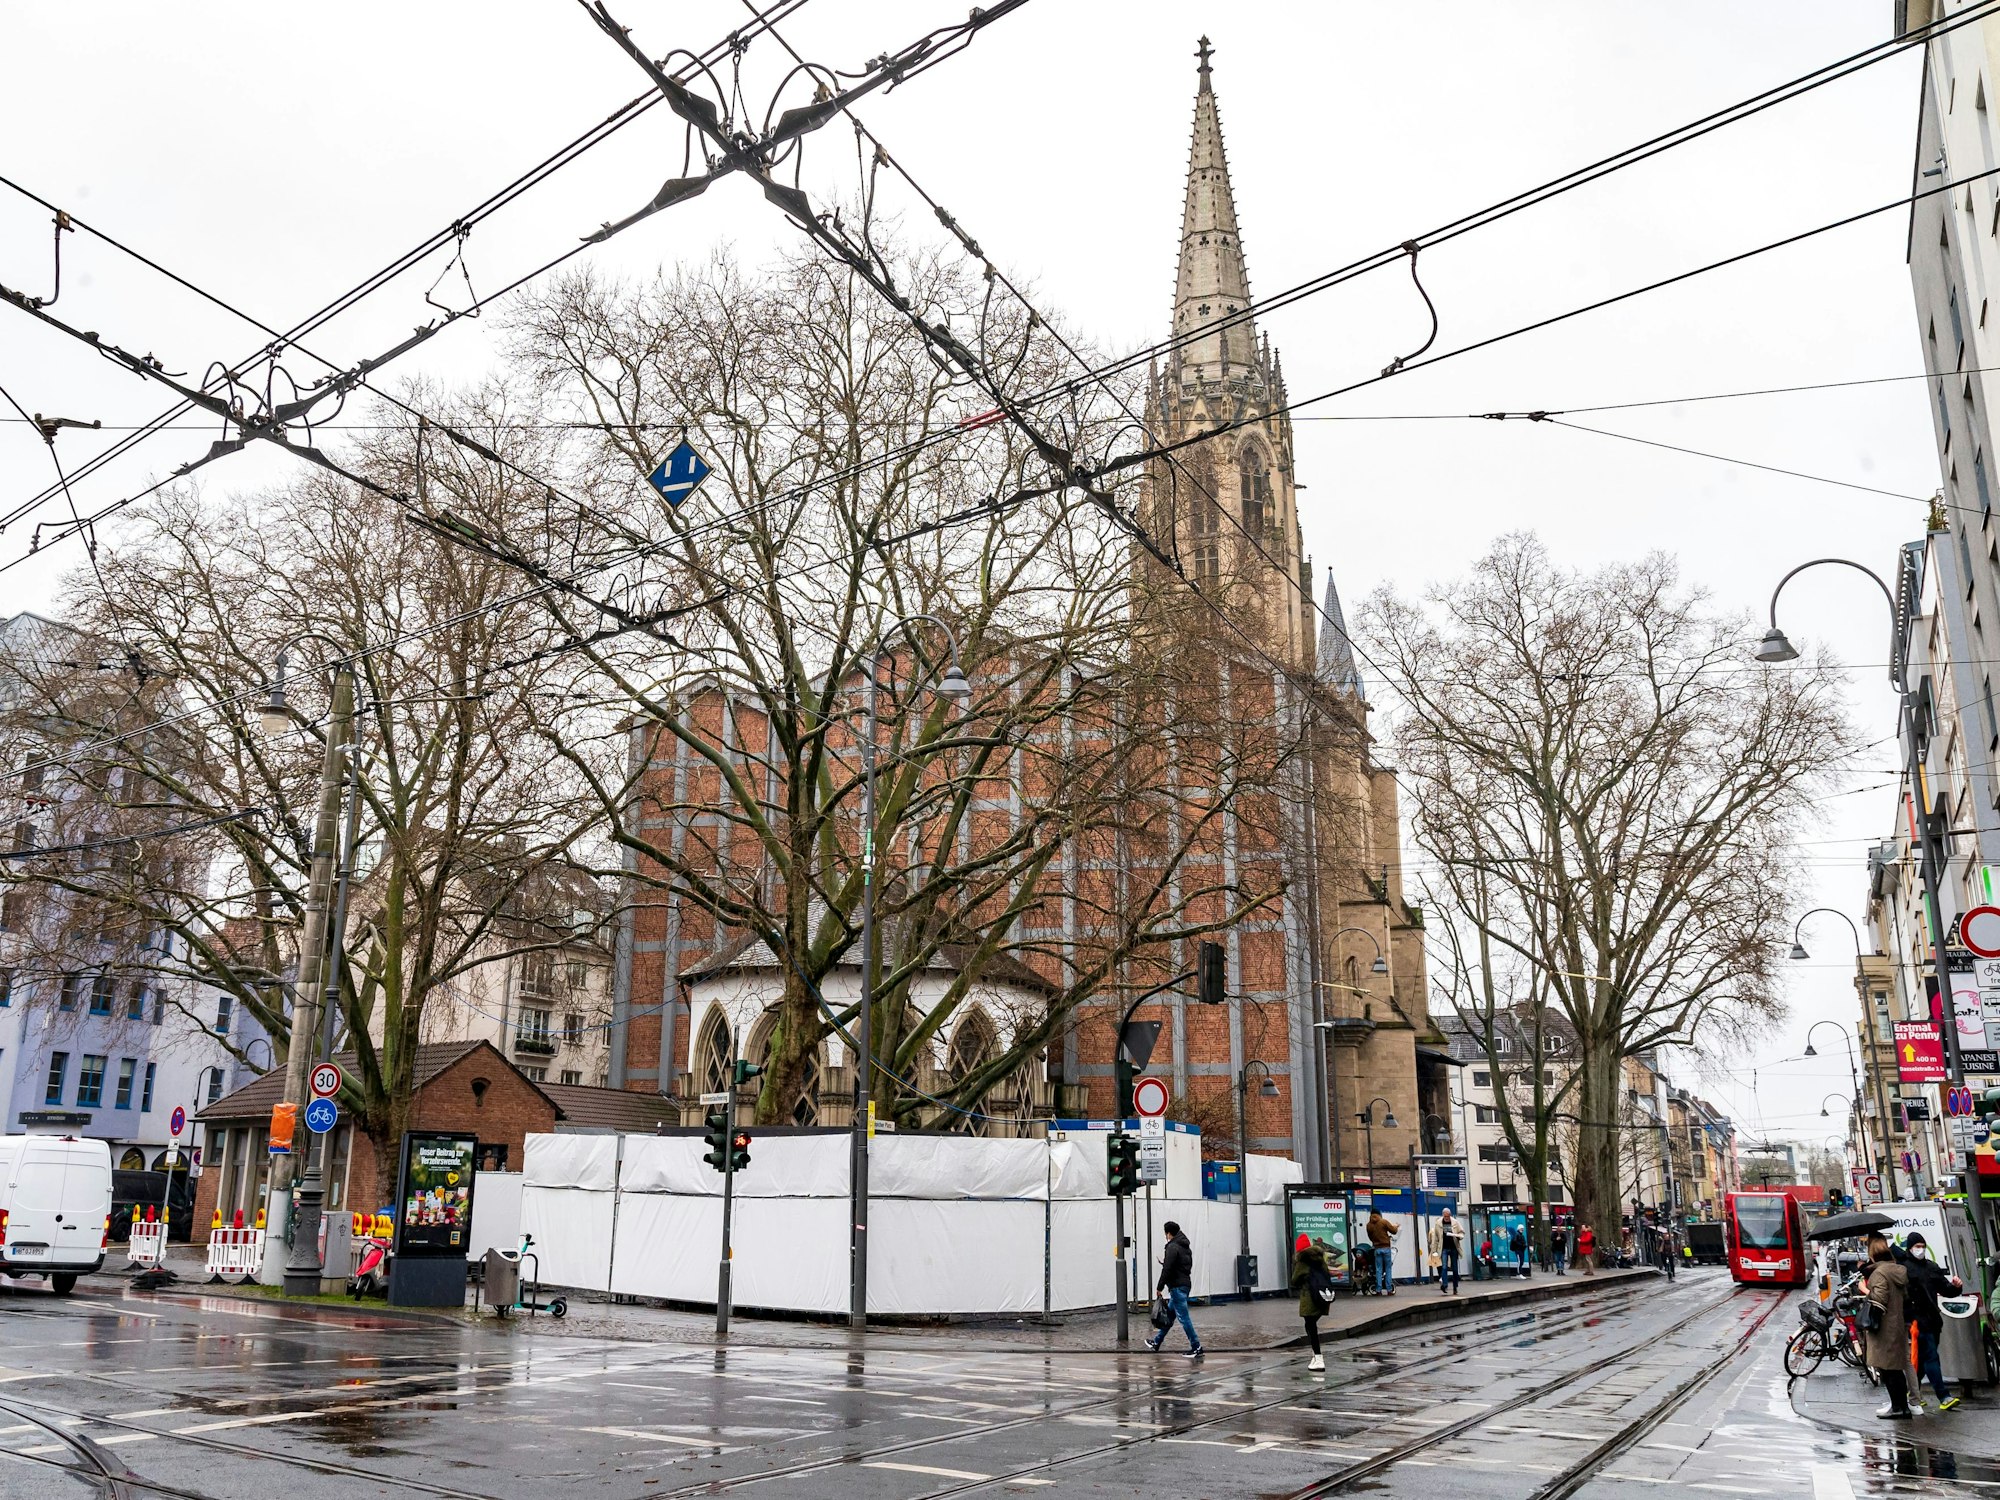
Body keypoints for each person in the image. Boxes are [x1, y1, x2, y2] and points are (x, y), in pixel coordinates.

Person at [1897, 1232, 1963, 1412]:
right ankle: (1943, 1396)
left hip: (1933, 1320)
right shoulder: (1903, 1268)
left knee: (1924, 1359)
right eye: (1917, 1246)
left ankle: (1913, 1396)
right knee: (1931, 1356)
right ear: (1910, 1248)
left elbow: (1946, 1289)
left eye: (1922, 1246)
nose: (1920, 1249)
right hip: (1918, 1321)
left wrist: (1956, 1287)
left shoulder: (1931, 1267)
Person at [1862, 1233, 1913, 1419]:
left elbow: (1879, 1300)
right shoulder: (1897, 1270)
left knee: (1888, 1369)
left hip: (1883, 1327)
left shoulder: (1879, 1273)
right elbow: (1904, 1296)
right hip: (1897, 1323)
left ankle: (1898, 1408)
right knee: (1895, 1369)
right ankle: (1902, 1407)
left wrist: (1865, 1290)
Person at [1146, 1220, 1204, 1359]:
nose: (1166, 1236)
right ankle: (1156, 1342)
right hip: (1184, 1285)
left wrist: (1159, 1287)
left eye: (1166, 1234)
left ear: (1169, 1233)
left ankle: (1196, 1347)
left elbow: (1168, 1269)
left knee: (1184, 1319)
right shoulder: (1185, 1247)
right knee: (1169, 1317)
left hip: (1177, 1288)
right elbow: (1182, 1266)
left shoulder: (1172, 1247)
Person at [1290, 1232, 1335, 1372]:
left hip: (1310, 1298)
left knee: (1310, 1326)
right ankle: (1315, 1356)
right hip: (1323, 1297)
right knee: (1311, 1325)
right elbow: (1327, 1274)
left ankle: (1318, 1357)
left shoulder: (1303, 1261)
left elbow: (1294, 1280)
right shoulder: (1320, 1259)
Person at [1430, 1208, 1464, 1294]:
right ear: (1442, 1215)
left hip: (1453, 1247)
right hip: (1443, 1248)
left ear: (1450, 1215)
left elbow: (1461, 1233)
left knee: (1455, 1268)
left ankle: (1455, 1286)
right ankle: (1444, 1285)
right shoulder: (1438, 1223)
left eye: (1448, 1216)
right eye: (1445, 1216)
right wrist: (1434, 1251)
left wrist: (1458, 1236)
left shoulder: (1455, 1222)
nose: (1446, 1218)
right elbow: (1436, 1238)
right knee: (1444, 1267)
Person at [1366, 1208, 1398, 1295]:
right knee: (1388, 1269)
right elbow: (1394, 1231)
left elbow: (1370, 1237)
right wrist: (1396, 1226)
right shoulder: (1383, 1222)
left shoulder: (1369, 1225)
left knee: (1378, 1270)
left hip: (1377, 1249)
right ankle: (1389, 1290)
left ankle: (1378, 1290)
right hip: (1386, 1248)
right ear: (1379, 1214)